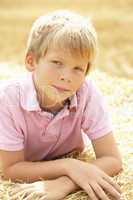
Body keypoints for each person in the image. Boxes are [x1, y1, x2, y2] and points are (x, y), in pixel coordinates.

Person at [0, 10, 123, 200]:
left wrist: (66, 182)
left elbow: (113, 160)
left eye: (78, 68)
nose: (66, 76)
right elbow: (10, 169)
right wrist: (70, 166)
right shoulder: (8, 99)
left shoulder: (86, 92)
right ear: (31, 61)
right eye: (57, 62)